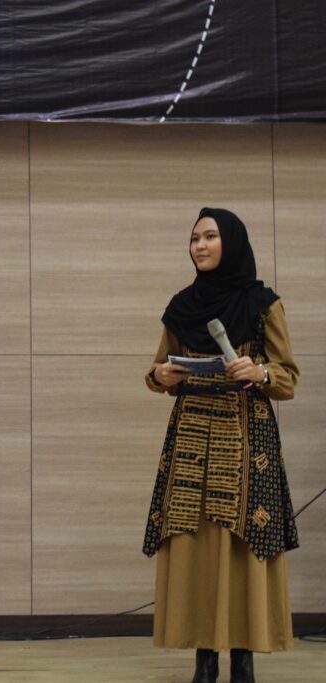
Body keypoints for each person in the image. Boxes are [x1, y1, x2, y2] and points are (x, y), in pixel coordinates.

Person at [144, 208, 300, 683]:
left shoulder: (263, 303)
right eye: (194, 238)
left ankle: (244, 660)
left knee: (242, 545)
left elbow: (288, 378)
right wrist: (161, 375)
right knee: (194, 545)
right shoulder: (181, 305)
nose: (200, 246)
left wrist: (260, 371)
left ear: (231, 242)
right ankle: (205, 660)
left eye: (210, 237)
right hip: (192, 434)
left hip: (246, 437)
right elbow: (157, 370)